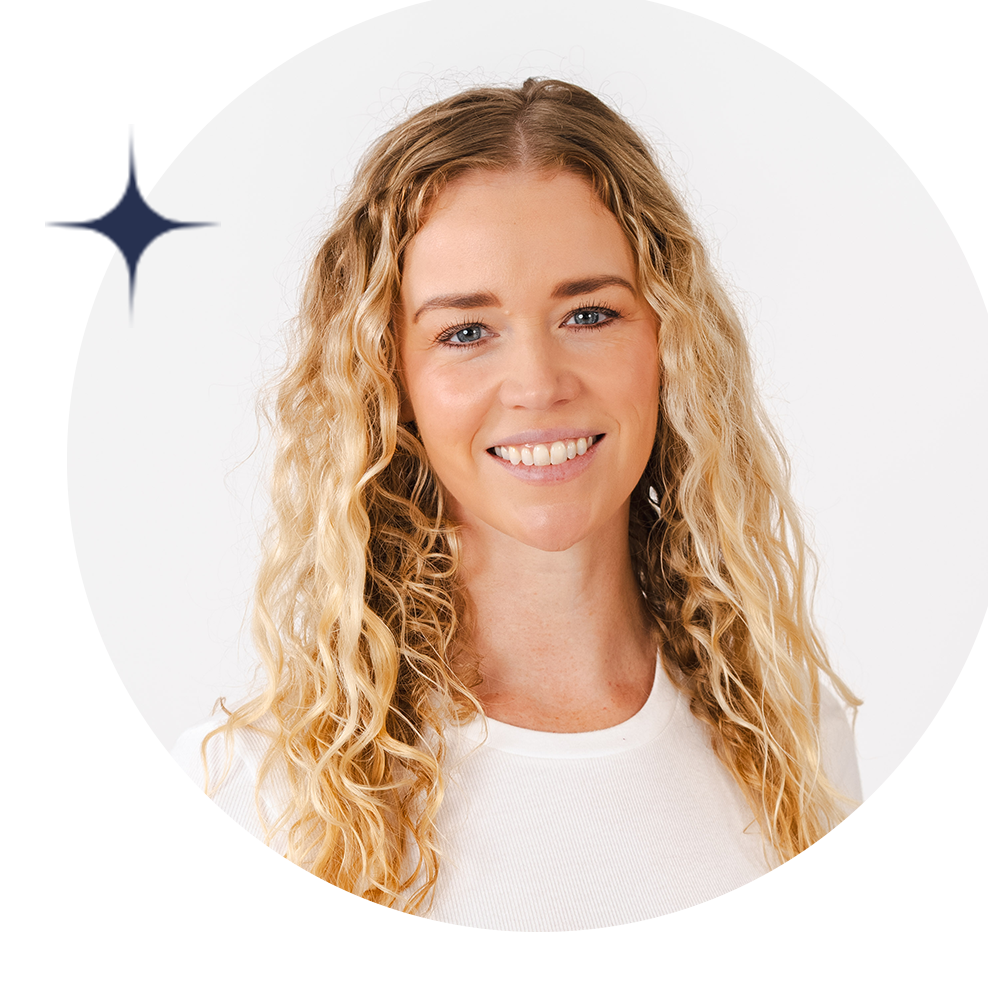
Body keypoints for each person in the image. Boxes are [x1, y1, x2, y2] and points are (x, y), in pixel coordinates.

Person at [116, 77, 889, 932]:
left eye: (589, 314)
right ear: (390, 382)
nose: (538, 384)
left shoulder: (791, 743)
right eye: (466, 332)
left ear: (670, 341)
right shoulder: (248, 799)